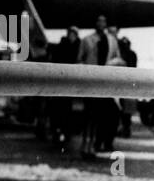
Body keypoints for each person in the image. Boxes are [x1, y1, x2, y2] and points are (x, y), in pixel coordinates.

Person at [77, 14, 120, 157]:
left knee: (99, 117)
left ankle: (94, 145)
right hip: (90, 83)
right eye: (98, 21)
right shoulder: (86, 40)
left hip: (104, 84)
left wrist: (111, 65)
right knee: (88, 116)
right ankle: (85, 144)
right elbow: (79, 60)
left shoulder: (112, 41)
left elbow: (118, 59)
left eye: (103, 21)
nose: (101, 24)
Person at [50, 26, 81, 150]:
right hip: (62, 83)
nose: (71, 35)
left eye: (73, 33)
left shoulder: (78, 46)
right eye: (70, 33)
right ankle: (59, 132)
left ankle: (64, 132)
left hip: (70, 84)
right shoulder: (62, 46)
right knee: (60, 110)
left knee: (66, 110)